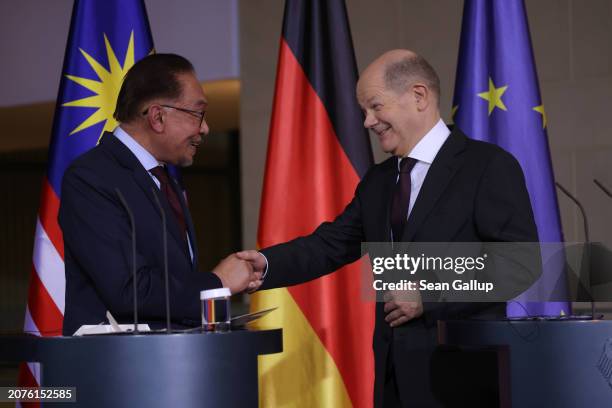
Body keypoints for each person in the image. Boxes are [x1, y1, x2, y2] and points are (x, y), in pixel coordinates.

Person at [238, 49, 538, 407]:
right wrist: (264, 265)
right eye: (365, 110)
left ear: (418, 96)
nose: (367, 121)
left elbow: (520, 262)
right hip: (394, 381)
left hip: (462, 382)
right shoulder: (379, 181)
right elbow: (330, 244)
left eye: (375, 106)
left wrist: (428, 293)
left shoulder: (487, 166)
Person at [60, 54, 258, 336]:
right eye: (197, 113)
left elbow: (173, 283)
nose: (205, 128)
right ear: (157, 117)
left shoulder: (164, 179)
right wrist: (218, 282)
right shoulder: (91, 177)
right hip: (117, 369)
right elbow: (128, 290)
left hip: (170, 363)